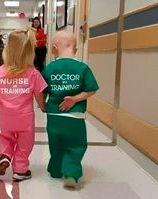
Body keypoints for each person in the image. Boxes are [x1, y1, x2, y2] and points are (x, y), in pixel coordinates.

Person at [0, 28, 47, 181]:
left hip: (5, 115)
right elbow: (39, 94)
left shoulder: (0, 71)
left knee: (6, 137)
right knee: (25, 142)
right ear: (30, 53)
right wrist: (43, 107)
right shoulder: (33, 73)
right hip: (25, 117)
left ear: (7, 51)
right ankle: (20, 170)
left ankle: (4, 156)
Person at [42, 31, 99, 188]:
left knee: (55, 143)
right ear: (76, 49)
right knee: (75, 144)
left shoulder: (49, 69)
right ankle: (71, 173)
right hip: (75, 116)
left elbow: (41, 90)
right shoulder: (82, 68)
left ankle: (55, 169)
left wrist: (42, 106)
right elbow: (92, 89)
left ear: (54, 48)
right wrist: (74, 99)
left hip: (54, 115)